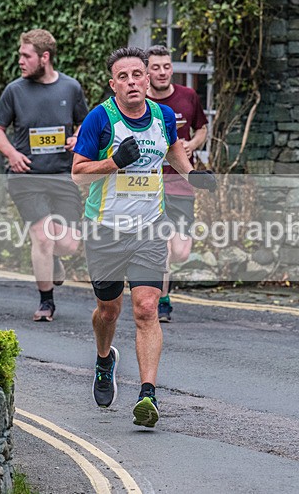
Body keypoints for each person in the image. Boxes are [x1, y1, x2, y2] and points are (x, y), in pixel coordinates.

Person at [72, 47, 216, 428]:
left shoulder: (164, 116)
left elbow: (173, 151)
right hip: (104, 230)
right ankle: (105, 359)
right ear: (113, 84)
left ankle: (147, 394)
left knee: (146, 308)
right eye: (124, 77)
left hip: (150, 228)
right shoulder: (99, 120)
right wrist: (113, 162)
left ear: (148, 78)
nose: (133, 82)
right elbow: (78, 174)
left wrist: (193, 175)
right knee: (109, 310)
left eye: (138, 74)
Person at [0, 29, 89, 322]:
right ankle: (46, 301)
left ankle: (55, 260)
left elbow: (84, 123)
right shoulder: (14, 90)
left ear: (44, 58)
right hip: (26, 176)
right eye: (20, 55)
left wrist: (77, 139)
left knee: (69, 243)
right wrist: (11, 154)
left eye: (26, 55)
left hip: (62, 175)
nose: (20, 60)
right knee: (43, 237)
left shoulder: (70, 88)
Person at [146, 45, 209, 323]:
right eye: (156, 67)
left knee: (181, 251)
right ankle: (162, 300)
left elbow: (202, 130)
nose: (162, 72)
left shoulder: (188, 96)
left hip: (182, 184)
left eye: (166, 66)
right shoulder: (139, 102)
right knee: (164, 247)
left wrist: (190, 145)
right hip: (149, 186)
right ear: (147, 71)